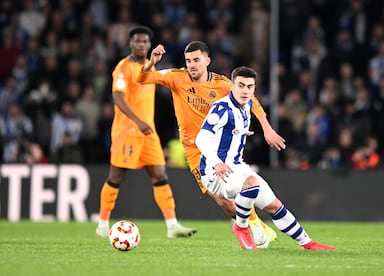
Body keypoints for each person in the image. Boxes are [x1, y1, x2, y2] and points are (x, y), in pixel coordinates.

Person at [137, 41, 286, 248]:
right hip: (193, 150)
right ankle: (257, 224)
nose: (192, 65)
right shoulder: (176, 77)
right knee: (222, 201)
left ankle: (256, 227)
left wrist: (267, 128)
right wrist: (151, 62)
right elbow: (142, 78)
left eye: (196, 60)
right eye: (188, 61)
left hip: (219, 149)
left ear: (207, 60)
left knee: (234, 191)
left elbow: (251, 101)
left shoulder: (223, 84)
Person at [196, 66, 336, 250]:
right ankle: (241, 227)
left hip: (237, 167)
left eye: (250, 86)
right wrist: (217, 163)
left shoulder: (247, 106)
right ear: (231, 86)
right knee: (252, 183)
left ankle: (307, 243)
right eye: (241, 85)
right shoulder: (222, 108)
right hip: (215, 172)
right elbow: (201, 138)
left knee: (274, 205)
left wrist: (241, 132)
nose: (245, 90)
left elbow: (230, 131)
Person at [95, 25, 196, 239]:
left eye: (144, 41)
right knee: (116, 176)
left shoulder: (150, 68)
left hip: (148, 132)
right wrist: (138, 121)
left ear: (149, 44)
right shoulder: (123, 67)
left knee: (159, 174)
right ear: (130, 43)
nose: (141, 44)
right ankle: (102, 224)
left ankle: (172, 226)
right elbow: (117, 98)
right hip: (127, 131)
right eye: (137, 41)